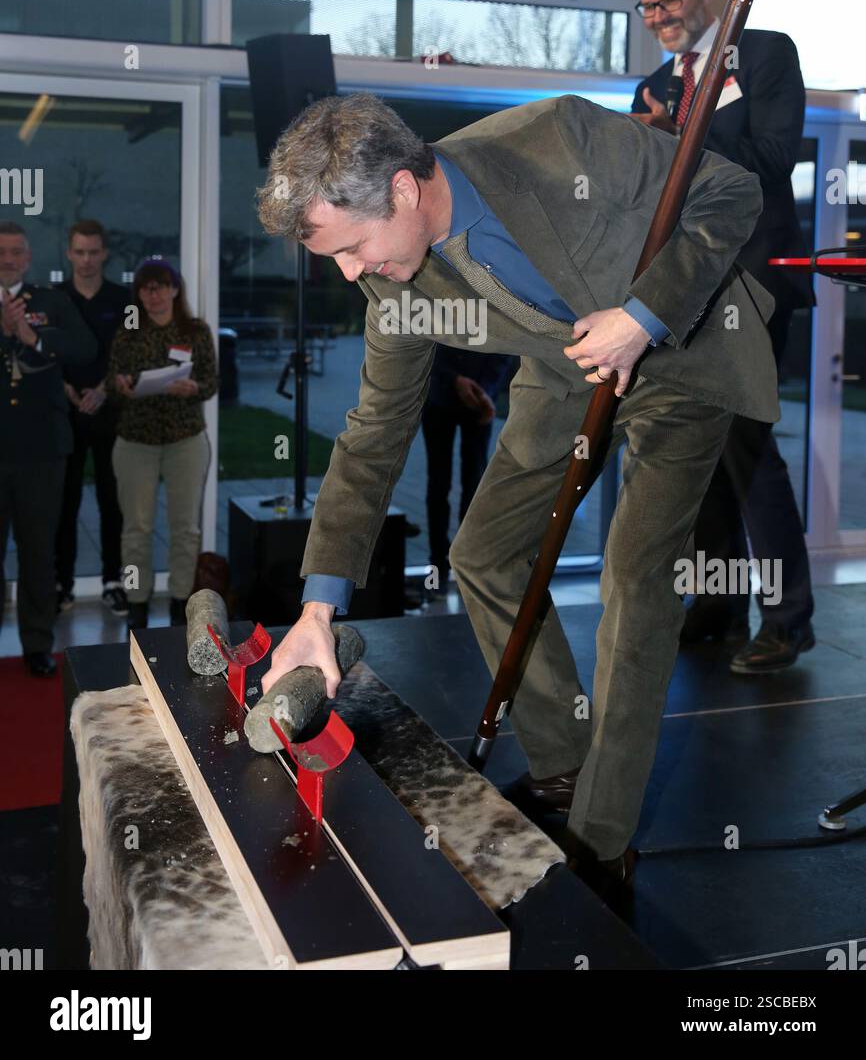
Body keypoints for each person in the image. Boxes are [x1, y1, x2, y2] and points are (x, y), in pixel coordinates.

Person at [253, 91, 778, 889]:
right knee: (484, 553)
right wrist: (317, 610)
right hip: (566, 362)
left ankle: (603, 839)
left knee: (635, 578)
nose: (351, 272)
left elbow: (732, 190)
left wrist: (643, 314)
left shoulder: (557, 140)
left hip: (678, 352)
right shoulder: (391, 282)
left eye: (353, 246)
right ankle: (564, 760)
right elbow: (372, 432)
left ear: (401, 188)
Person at [632, 0, 815, 673]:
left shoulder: (765, 54)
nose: (660, 16)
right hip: (685, 290)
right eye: (648, 6)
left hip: (756, 283)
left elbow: (776, 159)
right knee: (695, 448)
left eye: (670, 0)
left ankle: (787, 619)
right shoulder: (654, 84)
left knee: (745, 444)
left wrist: (677, 138)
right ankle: (714, 604)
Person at [0, 221, 96, 675]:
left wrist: (33, 337)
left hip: (42, 450)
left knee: (39, 550)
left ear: (29, 258)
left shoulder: (51, 301)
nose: (8, 259)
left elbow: (84, 348)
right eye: (1, 251)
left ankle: (37, 644)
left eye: (16, 252)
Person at [106, 257, 217, 629]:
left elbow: (212, 382)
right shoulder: (129, 329)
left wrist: (194, 387)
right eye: (144, 288)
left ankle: (179, 604)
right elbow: (112, 381)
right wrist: (120, 386)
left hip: (184, 440)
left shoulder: (196, 331)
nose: (151, 295)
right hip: (136, 441)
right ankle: (136, 604)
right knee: (136, 528)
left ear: (174, 289)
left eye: (159, 287)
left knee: (185, 529)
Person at [55, 219, 130, 616]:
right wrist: (66, 388)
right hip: (64, 416)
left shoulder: (122, 299)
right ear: (69, 253)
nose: (86, 260)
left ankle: (113, 581)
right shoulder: (54, 298)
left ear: (104, 254)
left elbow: (130, 354)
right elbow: (45, 352)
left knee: (110, 501)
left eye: (93, 252)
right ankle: (61, 583)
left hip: (108, 413)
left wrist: (103, 389)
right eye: (79, 252)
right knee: (63, 503)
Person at [421, 345, 514, 594]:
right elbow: (424, 341)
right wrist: (454, 379)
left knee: (474, 484)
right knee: (438, 484)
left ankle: (468, 564)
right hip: (439, 396)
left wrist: (484, 391)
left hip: (480, 399)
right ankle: (438, 565)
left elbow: (504, 348)